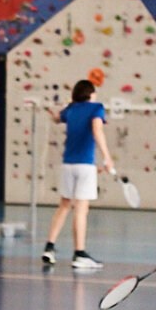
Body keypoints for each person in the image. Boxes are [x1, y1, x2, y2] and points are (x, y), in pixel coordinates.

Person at [40, 78, 115, 269]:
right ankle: (79, 253)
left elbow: (57, 118)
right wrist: (107, 157)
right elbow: (97, 131)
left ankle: (49, 247)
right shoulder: (96, 107)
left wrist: (55, 110)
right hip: (85, 166)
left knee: (64, 205)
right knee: (81, 209)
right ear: (91, 94)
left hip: (68, 165)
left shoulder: (71, 109)